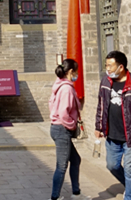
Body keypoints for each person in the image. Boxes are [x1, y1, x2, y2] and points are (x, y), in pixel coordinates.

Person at [95, 51, 131, 200]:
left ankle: (129, 196)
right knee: (112, 165)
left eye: (110, 65)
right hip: (112, 135)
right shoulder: (105, 82)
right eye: (106, 65)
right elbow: (101, 105)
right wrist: (98, 126)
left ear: (120, 67)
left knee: (130, 169)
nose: (107, 69)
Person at [48, 58, 83, 200]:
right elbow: (63, 113)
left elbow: (51, 104)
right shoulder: (67, 89)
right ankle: (54, 197)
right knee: (62, 166)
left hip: (57, 127)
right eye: (76, 72)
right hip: (62, 129)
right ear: (71, 71)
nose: (77, 75)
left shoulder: (58, 84)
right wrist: (71, 125)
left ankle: (76, 193)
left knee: (75, 160)